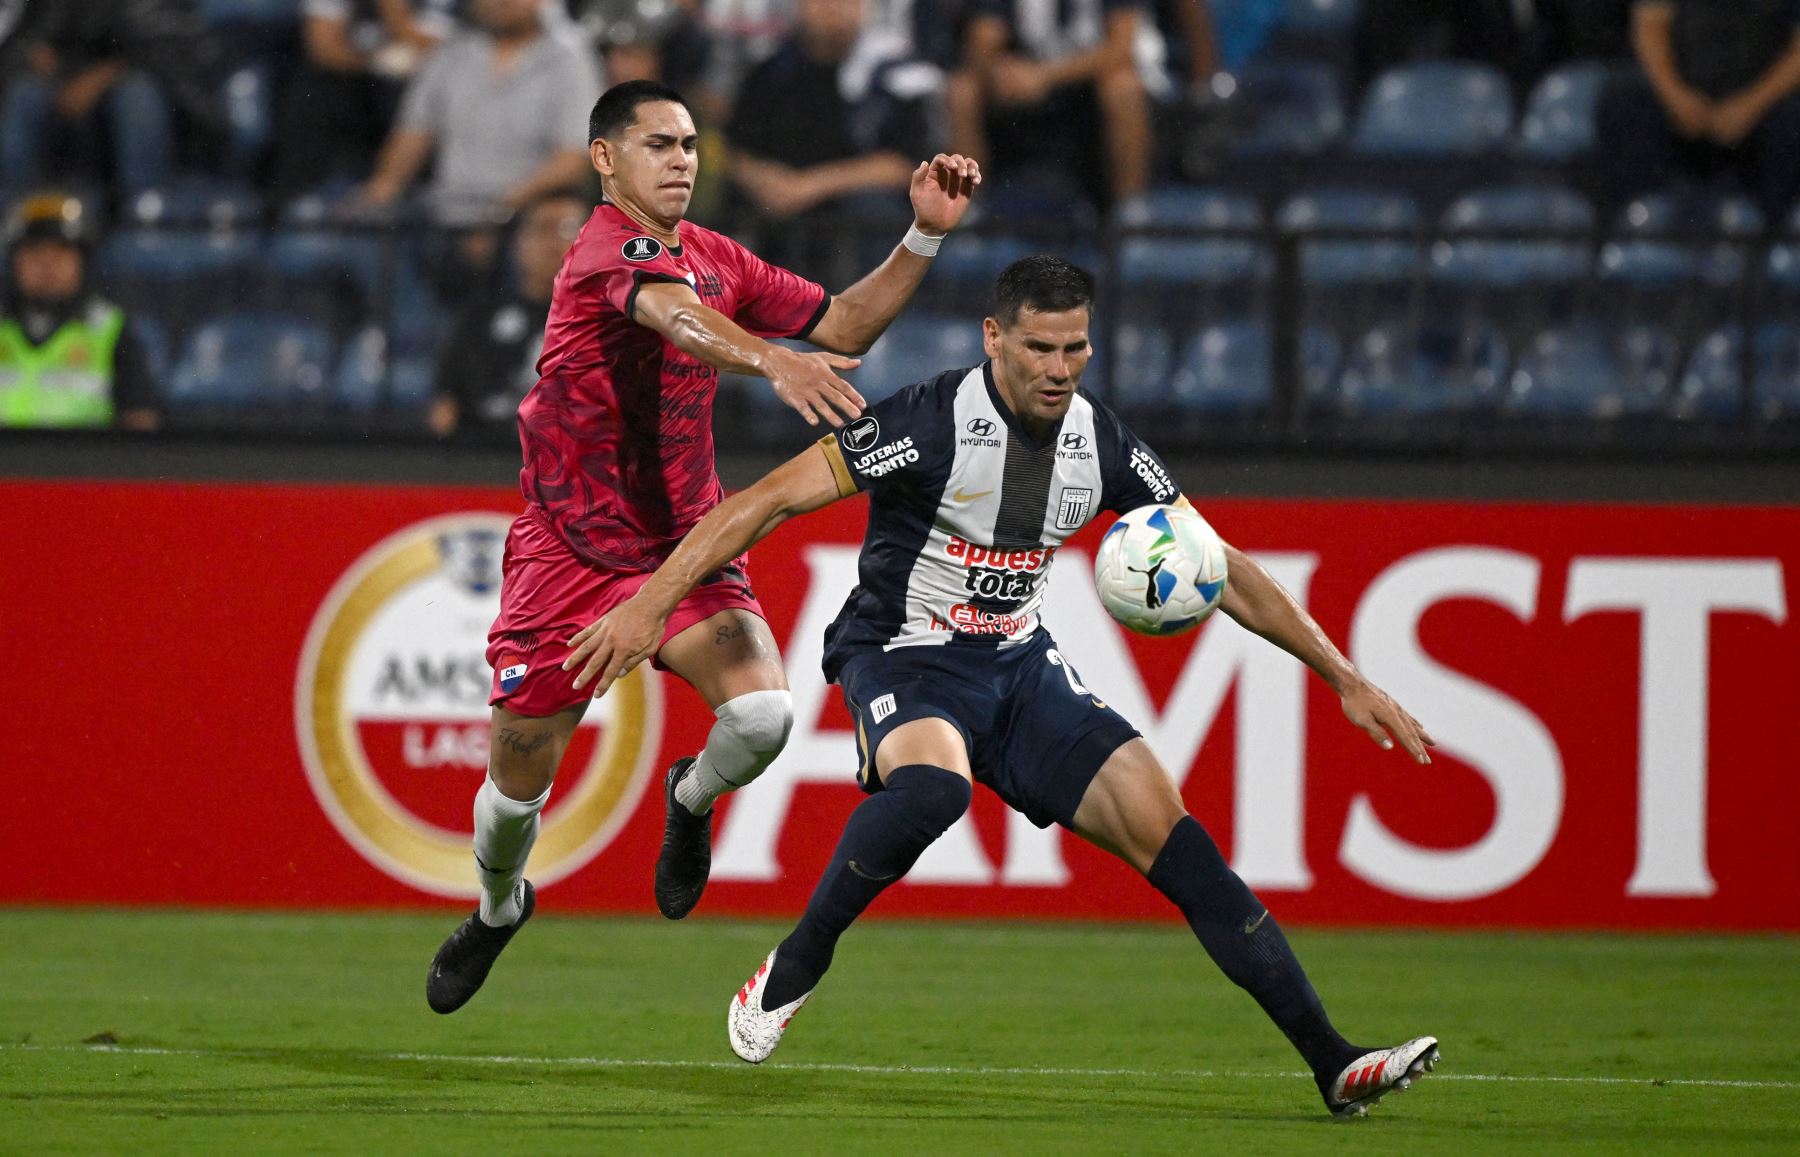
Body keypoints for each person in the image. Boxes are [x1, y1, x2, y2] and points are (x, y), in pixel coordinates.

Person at [566, 256, 1440, 1119]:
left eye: (1075, 350)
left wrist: (1345, 677)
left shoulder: (1101, 442)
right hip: (902, 653)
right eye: (1038, 349)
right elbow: (762, 502)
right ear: (994, 338)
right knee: (935, 788)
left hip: (1020, 670)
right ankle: (800, 960)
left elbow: (1225, 568)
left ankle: (1332, 1061)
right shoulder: (929, 421)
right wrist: (652, 605)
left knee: (1175, 839)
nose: (1059, 370)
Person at [423, 78, 981, 1014]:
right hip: (567, 551)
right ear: (606, 158)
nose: (681, 159)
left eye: (688, 145)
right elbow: (671, 315)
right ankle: (496, 906)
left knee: (764, 719)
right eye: (658, 144)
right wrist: (770, 358)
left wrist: (923, 232)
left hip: (686, 541)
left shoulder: (717, 257)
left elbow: (842, 325)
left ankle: (688, 798)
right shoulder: (606, 251)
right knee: (518, 781)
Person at [726, 0, 940, 279]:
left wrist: (810, 186)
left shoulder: (898, 74)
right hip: (778, 217)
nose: (831, 7)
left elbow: (910, 165)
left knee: (872, 206)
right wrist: (760, 179)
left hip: (859, 229)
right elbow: (735, 149)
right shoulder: (771, 72)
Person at [349, 0, 602, 230]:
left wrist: (500, 210)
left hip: (526, 223)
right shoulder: (452, 51)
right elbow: (414, 134)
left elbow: (572, 160)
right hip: (446, 220)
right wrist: (380, 192)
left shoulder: (571, 57)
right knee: (343, 245)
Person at [949, 0, 1159, 215]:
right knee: (962, 89)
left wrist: (1045, 76)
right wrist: (1000, 71)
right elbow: (982, 41)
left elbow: (1121, 48)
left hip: (1090, 82)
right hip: (1025, 81)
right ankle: (968, 212)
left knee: (1124, 87)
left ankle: (1131, 212)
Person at [1597, 1, 1800, 222]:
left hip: (1760, 103)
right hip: (1683, 100)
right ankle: (1638, 226)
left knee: (1792, 120)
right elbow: (1649, 27)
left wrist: (1749, 107)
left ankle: (1770, 234)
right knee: (1625, 100)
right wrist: (1676, 98)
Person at [0, 0, 223, 198]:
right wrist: (36, 53)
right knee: (26, 95)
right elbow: (26, 37)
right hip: (68, 92)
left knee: (137, 97)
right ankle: (19, 222)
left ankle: (142, 215)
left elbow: (168, 52)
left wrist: (104, 75)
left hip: (156, 100)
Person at [428, 189, 591, 441]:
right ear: (518, 244)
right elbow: (444, 408)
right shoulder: (480, 316)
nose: (555, 243)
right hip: (487, 459)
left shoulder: (610, 322)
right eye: (543, 229)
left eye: (569, 229)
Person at [0, 192, 159, 429]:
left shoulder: (112, 331)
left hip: (85, 465)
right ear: (15, 261)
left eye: (60, 252)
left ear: (81, 261)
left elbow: (141, 423)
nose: (47, 265)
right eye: (35, 251)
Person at [275, 0, 458, 205]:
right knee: (316, 93)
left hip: (412, 90)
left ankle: (398, 199)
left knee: (417, 98)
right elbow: (323, 45)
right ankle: (303, 201)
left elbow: (436, 52)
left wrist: (392, 8)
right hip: (356, 86)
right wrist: (377, 62)